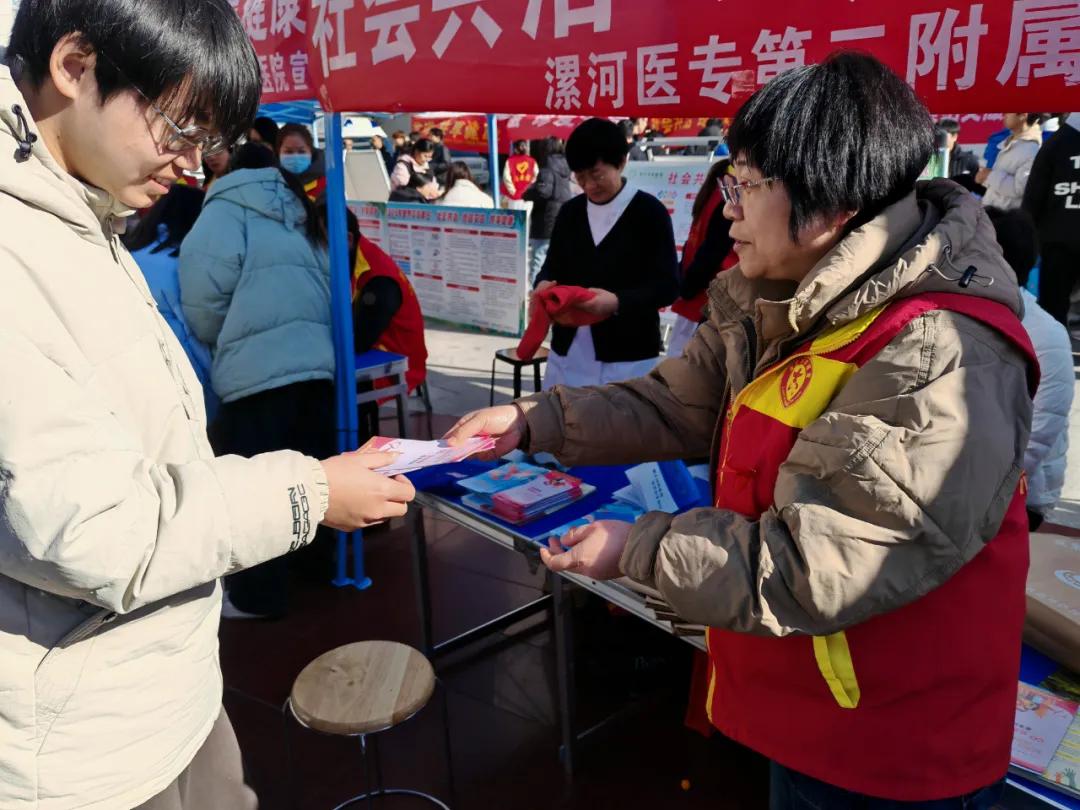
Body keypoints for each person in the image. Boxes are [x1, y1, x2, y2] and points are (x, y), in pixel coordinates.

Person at [447, 53, 1036, 809]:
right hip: (805, 703)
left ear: (831, 204)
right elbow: (678, 403)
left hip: (893, 741)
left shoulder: (939, 353)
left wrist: (638, 549)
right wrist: (538, 419)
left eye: (745, 185)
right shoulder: (775, 293)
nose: (727, 208)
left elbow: (821, 560)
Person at [0, 1, 414, 807]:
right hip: (82, 743)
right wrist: (311, 492)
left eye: (207, 141)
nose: (192, 162)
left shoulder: (81, 210)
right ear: (74, 67)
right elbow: (96, 532)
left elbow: (203, 304)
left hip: (160, 687)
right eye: (179, 128)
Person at [179, 141, 342, 621]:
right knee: (315, 475)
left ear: (231, 170)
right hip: (317, 368)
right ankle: (317, 568)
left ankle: (259, 597)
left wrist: (225, 338)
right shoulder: (303, 211)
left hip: (255, 375)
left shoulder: (224, 210)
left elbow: (203, 295)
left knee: (257, 490)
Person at [533, 117, 678, 389]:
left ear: (621, 162)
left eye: (596, 175)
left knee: (621, 415)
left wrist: (617, 302)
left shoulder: (649, 213)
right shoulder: (570, 213)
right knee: (561, 412)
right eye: (580, 177)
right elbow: (552, 266)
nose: (589, 185)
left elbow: (668, 286)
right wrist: (543, 283)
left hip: (628, 353)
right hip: (569, 350)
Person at [986, 207, 1073, 530]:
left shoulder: (1046, 334)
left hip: (1021, 495)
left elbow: (1041, 430)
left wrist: (981, 493)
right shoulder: (971, 313)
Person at [330, 204, 429, 438]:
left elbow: (359, 341)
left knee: (331, 380)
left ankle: (357, 443)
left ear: (347, 239)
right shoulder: (355, 254)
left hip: (395, 354)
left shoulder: (379, 278)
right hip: (372, 340)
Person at [123, 184, 218, 418]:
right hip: (182, 369)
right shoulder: (183, 262)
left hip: (135, 368)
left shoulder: (130, 254)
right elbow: (196, 326)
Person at [667, 159, 736, 357]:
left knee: (679, 357)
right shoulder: (728, 198)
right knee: (689, 362)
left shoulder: (713, 192)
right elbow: (712, 252)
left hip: (696, 294)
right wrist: (687, 287)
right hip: (705, 298)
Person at [1025, 111, 1080, 326]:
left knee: (1052, 315)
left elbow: (1033, 198)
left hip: (1057, 240)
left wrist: (1029, 238)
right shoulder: (1056, 144)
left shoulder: (1056, 144)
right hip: (1056, 242)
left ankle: (1054, 346)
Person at [522, 135, 573, 283]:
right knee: (557, 261)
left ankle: (536, 293)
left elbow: (543, 192)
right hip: (562, 218)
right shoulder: (565, 165)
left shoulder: (547, 168)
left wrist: (527, 193)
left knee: (538, 260)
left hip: (546, 220)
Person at [978, 113, 1043, 209]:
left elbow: (1019, 189)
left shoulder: (1032, 149)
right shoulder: (1012, 142)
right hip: (992, 211)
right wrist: (984, 177)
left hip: (1006, 214)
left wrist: (989, 175)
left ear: (1023, 115)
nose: (1004, 114)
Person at [277, 121, 326, 200]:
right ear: (278, 152)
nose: (295, 156)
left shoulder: (326, 184)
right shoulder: (270, 182)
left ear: (311, 151)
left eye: (301, 151)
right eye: (288, 151)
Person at [390, 137, 440, 202]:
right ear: (416, 152)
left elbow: (434, 184)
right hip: (405, 201)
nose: (427, 159)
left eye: (429, 157)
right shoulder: (403, 165)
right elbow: (403, 185)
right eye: (425, 156)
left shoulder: (427, 167)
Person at [502, 139, 538, 211]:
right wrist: (529, 188)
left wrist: (513, 192)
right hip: (527, 197)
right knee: (526, 217)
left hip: (514, 199)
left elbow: (506, 178)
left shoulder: (509, 161)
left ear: (515, 149)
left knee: (514, 217)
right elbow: (536, 177)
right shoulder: (532, 161)